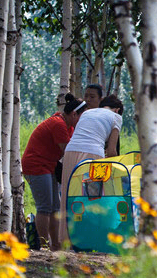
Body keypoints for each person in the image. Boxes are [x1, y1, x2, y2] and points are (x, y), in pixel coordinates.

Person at [60, 94, 124, 243]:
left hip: (70, 151)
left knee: (69, 194)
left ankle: (66, 240)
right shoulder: (116, 118)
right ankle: (91, 239)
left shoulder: (88, 112)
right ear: (117, 109)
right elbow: (112, 151)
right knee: (93, 198)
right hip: (94, 154)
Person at [22, 95, 83, 249]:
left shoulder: (68, 126)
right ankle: (43, 245)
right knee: (44, 207)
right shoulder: (58, 124)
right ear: (74, 114)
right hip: (36, 165)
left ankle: (55, 244)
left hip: (49, 165)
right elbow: (67, 151)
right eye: (82, 117)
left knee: (55, 207)